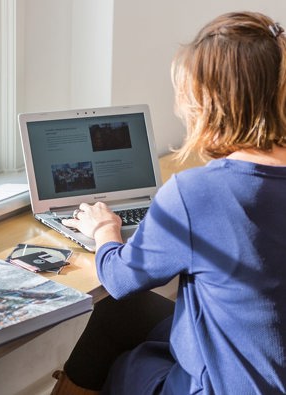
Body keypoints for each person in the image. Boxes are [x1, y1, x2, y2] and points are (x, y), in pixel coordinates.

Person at [50, 11, 286, 395]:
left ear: (209, 104)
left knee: (114, 319)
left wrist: (106, 230)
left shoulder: (200, 193)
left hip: (224, 386)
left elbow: (121, 279)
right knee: (119, 315)